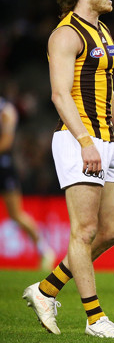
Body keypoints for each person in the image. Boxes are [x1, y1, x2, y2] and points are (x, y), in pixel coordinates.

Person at [22, 0, 114, 339]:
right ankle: (95, 318)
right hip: (78, 140)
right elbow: (60, 95)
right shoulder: (65, 34)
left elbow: (108, 93)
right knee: (85, 231)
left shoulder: (103, 32)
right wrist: (84, 141)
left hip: (105, 140)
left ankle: (46, 290)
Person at [0, 97, 56, 270]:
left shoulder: (6, 110)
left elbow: (7, 141)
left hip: (4, 166)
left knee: (16, 214)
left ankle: (44, 251)